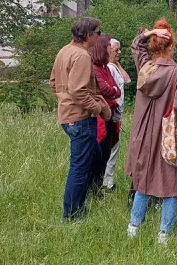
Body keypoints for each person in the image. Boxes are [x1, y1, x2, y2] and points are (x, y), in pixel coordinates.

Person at [125, 19, 177, 244]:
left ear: (154, 46)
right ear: (171, 46)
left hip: (145, 135)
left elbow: (136, 46)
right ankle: (164, 234)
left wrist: (150, 32)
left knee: (144, 182)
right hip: (169, 135)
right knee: (176, 184)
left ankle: (134, 228)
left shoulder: (145, 68)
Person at [50, 17, 112, 221]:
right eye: (97, 33)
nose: (100, 36)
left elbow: (53, 82)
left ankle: (79, 206)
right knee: (80, 167)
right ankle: (72, 215)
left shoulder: (64, 51)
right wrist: (98, 108)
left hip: (68, 117)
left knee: (93, 158)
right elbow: (78, 92)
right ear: (87, 35)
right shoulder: (82, 56)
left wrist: (63, 99)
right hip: (81, 118)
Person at [90, 33, 121, 193]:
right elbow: (106, 89)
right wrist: (113, 90)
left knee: (107, 152)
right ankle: (93, 188)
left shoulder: (105, 68)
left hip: (110, 114)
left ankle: (98, 186)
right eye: (109, 46)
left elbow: (115, 89)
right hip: (101, 116)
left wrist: (113, 90)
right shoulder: (95, 68)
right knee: (99, 152)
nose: (112, 50)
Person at [103, 38, 131, 190]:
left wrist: (116, 62)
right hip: (112, 114)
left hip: (117, 114)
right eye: (116, 50)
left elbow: (127, 79)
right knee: (111, 149)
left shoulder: (114, 66)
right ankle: (107, 182)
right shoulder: (109, 68)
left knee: (114, 148)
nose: (119, 52)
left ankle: (108, 180)